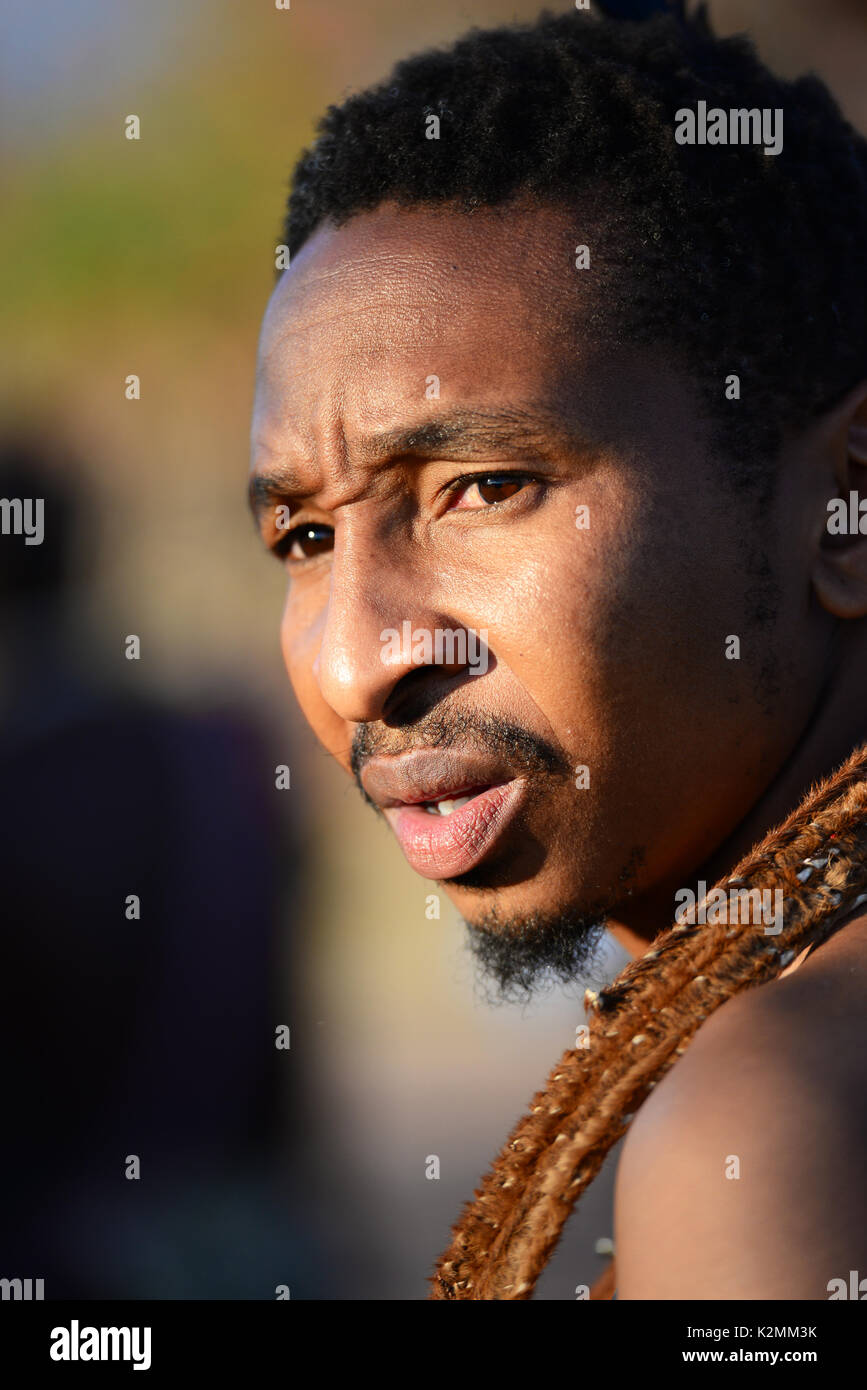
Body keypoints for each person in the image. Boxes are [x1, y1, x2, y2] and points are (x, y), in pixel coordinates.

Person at [248, 2, 867, 1298]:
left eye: (480, 487)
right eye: (305, 536)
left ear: (846, 503)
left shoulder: (773, 1115)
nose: (362, 663)